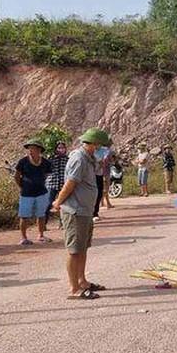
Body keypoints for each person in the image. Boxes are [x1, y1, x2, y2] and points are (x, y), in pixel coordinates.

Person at [52, 128, 110, 300]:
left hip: (85, 210)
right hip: (75, 210)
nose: (101, 148)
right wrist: (58, 202)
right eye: (99, 145)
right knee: (74, 250)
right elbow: (70, 183)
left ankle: (82, 281)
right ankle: (74, 288)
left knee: (83, 248)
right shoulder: (78, 158)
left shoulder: (89, 159)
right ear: (94, 144)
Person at [15, 139, 53, 245]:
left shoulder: (45, 163)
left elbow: (47, 175)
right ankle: (23, 237)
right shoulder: (23, 162)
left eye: (33, 149)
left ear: (39, 150)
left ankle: (41, 235)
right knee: (24, 215)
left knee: (41, 215)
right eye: (29, 149)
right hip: (26, 193)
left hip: (41, 192)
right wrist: (22, 186)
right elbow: (17, 176)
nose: (31, 151)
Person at [46, 141, 69, 227]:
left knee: (63, 204)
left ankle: (63, 223)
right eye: (59, 148)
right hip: (52, 183)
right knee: (48, 203)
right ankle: (43, 223)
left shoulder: (68, 159)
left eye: (62, 148)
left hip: (63, 184)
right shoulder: (51, 159)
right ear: (55, 149)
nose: (61, 150)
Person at [92, 143, 110, 221]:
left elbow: (105, 159)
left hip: (99, 174)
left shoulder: (104, 150)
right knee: (91, 194)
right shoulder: (90, 151)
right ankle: (91, 213)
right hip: (91, 175)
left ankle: (95, 213)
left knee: (99, 193)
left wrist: (102, 162)